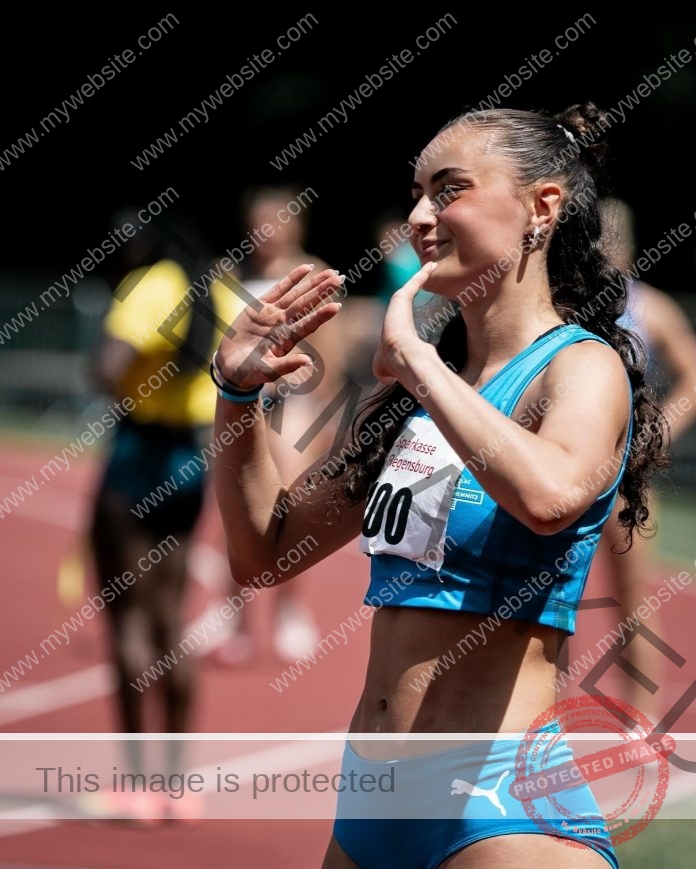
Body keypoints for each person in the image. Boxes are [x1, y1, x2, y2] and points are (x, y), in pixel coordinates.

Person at [210, 103, 669, 867]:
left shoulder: (579, 366)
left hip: (499, 811)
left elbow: (551, 496)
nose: (421, 215)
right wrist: (235, 396)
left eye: (448, 189)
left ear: (541, 208)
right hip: (371, 806)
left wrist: (417, 365)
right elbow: (265, 551)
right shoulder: (426, 394)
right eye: (417, 193)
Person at [88, 210, 241, 821]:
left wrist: (120, 380)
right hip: (190, 457)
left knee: (127, 619)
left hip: (138, 453)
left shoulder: (149, 288)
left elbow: (105, 368)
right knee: (171, 617)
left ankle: (135, 785)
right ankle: (179, 786)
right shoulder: (221, 289)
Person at [211, 185, 348, 665]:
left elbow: (330, 349)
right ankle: (235, 620)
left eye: (275, 222)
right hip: (240, 406)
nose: (266, 233)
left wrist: (326, 415)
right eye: (258, 223)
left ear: (294, 225)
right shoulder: (232, 276)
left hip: (295, 407)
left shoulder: (311, 274)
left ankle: (290, 611)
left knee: (287, 507)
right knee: (233, 511)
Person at [591, 197, 696, 722]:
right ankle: (535, 715)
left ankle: (642, 713)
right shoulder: (567, 304)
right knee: (543, 590)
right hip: (561, 462)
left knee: (633, 591)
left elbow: (692, 376)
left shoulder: (649, 306)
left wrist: (656, 434)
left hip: (625, 469)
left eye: (613, 239)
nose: (604, 249)